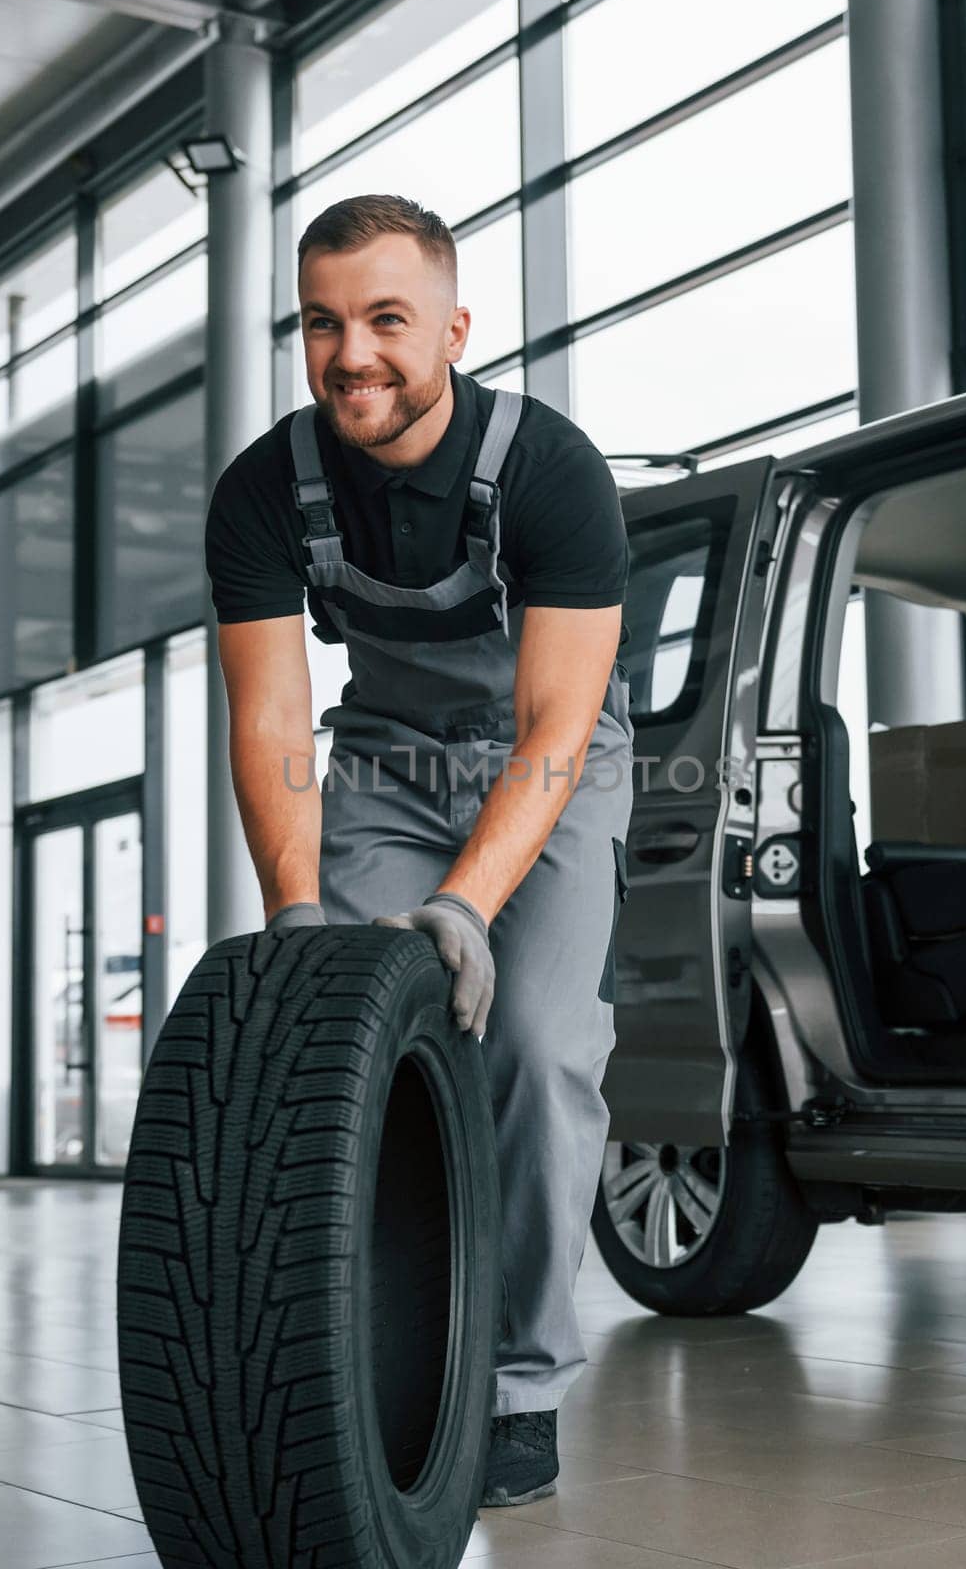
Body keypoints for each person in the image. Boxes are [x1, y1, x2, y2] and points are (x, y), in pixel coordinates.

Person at [204, 191, 634, 1507]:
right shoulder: (265, 492)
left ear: (453, 325)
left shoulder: (552, 470)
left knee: (539, 1048)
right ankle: (369, 1357)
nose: (354, 355)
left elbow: (558, 723)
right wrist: (295, 918)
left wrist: (464, 904)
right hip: (383, 763)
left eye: (388, 319)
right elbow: (272, 722)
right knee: (353, 1042)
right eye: (323, 324)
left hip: (551, 767)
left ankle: (517, 1386)